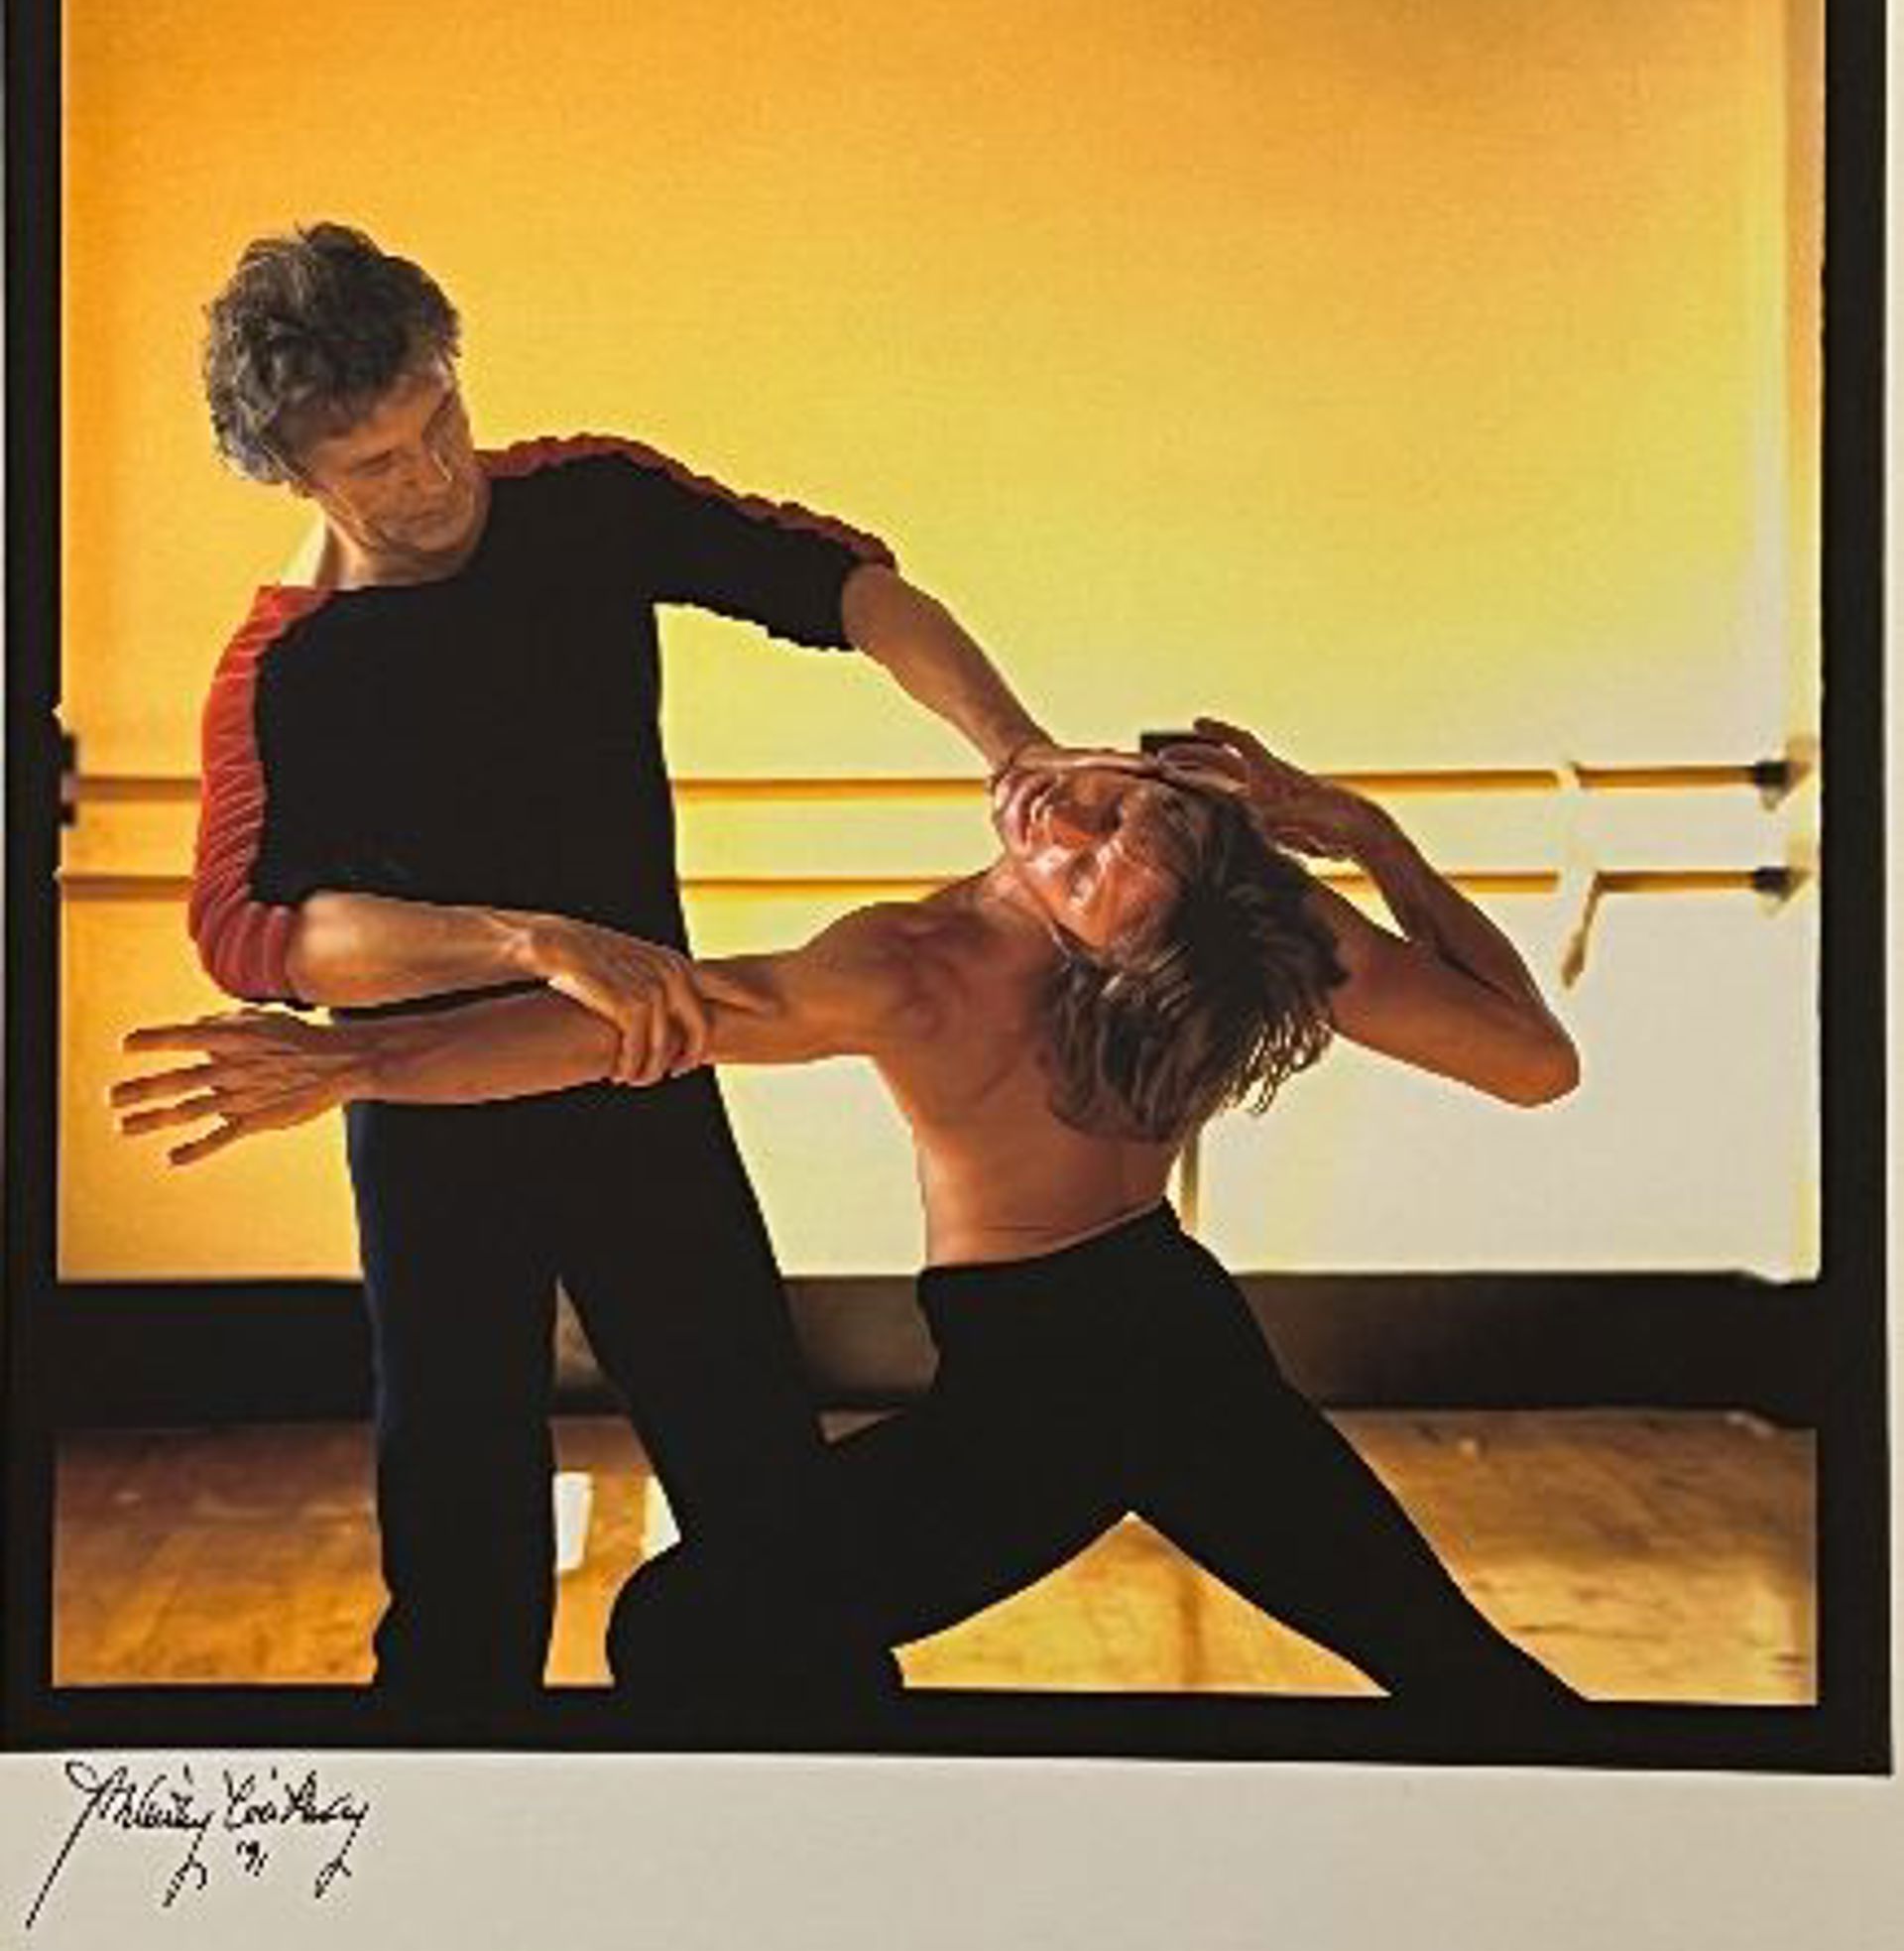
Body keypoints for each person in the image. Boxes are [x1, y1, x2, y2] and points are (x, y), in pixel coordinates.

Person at [129, 717, 1585, 1722]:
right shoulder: (1262, 905)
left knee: (680, 1628)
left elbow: (634, 1024)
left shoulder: (920, 965)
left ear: (1117, 941)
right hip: (1140, 1345)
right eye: (1109, 801)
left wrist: (362, 1060)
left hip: (1090, 1386)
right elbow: (1534, 1051)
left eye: (1085, 872)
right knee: (702, 1627)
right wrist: (1370, 836)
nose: (1060, 826)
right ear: (1182, 791)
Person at [185, 220, 1060, 1730]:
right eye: (376, 464)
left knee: (760, 1472)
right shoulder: (286, 669)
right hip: (430, 1120)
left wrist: (1020, 752)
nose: (432, 474)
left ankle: (849, 1773)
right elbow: (254, 934)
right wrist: (526, 936)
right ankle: (464, 1818)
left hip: (639, 1080)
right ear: (295, 476)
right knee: (463, 1537)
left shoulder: (588, 501)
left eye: (439, 419)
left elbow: (847, 585)